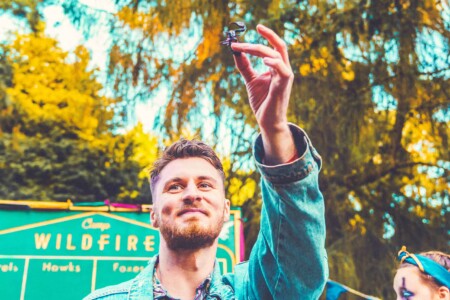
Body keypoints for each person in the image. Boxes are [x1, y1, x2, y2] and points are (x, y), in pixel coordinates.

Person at [84, 24, 328, 300]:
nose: (191, 194)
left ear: (225, 210)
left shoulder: (256, 291)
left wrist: (274, 130)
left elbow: (299, 266)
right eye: (175, 187)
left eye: (205, 185)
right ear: (153, 214)